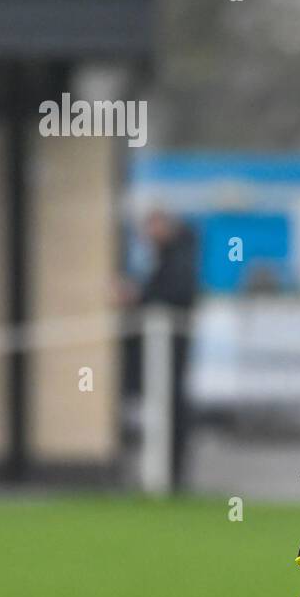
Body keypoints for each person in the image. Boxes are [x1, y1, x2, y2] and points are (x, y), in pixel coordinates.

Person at [118, 208, 199, 491]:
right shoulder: (170, 256)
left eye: (152, 227)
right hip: (162, 356)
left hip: (169, 356)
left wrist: (139, 299)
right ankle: (163, 474)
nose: (147, 236)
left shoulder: (178, 258)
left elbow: (174, 296)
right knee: (162, 410)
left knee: (171, 410)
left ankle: (170, 476)